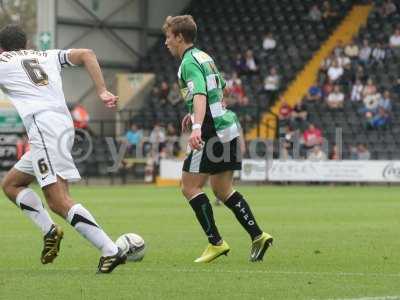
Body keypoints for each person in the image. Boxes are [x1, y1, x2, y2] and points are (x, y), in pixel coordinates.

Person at [0, 25, 126, 273]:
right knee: (11, 184)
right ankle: (49, 230)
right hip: (62, 124)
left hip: (44, 128)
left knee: (59, 200)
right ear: (25, 44)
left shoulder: (2, 60)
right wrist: (101, 90)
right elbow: (87, 53)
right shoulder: (45, 55)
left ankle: (110, 250)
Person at [163, 15, 272, 263]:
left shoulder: (188, 62)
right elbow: (223, 89)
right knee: (222, 190)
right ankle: (258, 235)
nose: (166, 43)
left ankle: (216, 242)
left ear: (179, 37)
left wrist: (198, 126)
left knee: (189, 186)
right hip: (229, 127)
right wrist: (193, 114)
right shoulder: (205, 57)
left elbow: (200, 94)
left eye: (168, 37)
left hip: (212, 132)